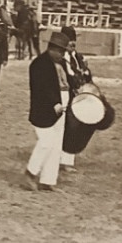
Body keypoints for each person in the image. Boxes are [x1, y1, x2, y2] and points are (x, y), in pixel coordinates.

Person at [25, 31, 73, 191]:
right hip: (44, 109)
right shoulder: (39, 64)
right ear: (51, 49)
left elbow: (68, 82)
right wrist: (55, 103)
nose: (62, 54)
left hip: (62, 105)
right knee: (46, 142)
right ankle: (30, 173)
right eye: (60, 51)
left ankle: (48, 180)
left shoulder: (62, 64)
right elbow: (41, 88)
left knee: (56, 145)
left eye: (63, 52)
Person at [59, 26, 95, 172]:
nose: (73, 45)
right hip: (65, 95)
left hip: (78, 96)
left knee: (75, 127)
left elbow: (87, 76)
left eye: (74, 42)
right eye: (69, 42)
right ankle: (62, 160)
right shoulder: (60, 59)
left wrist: (85, 72)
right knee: (64, 127)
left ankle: (67, 159)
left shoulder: (78, 58)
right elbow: (67, 77)